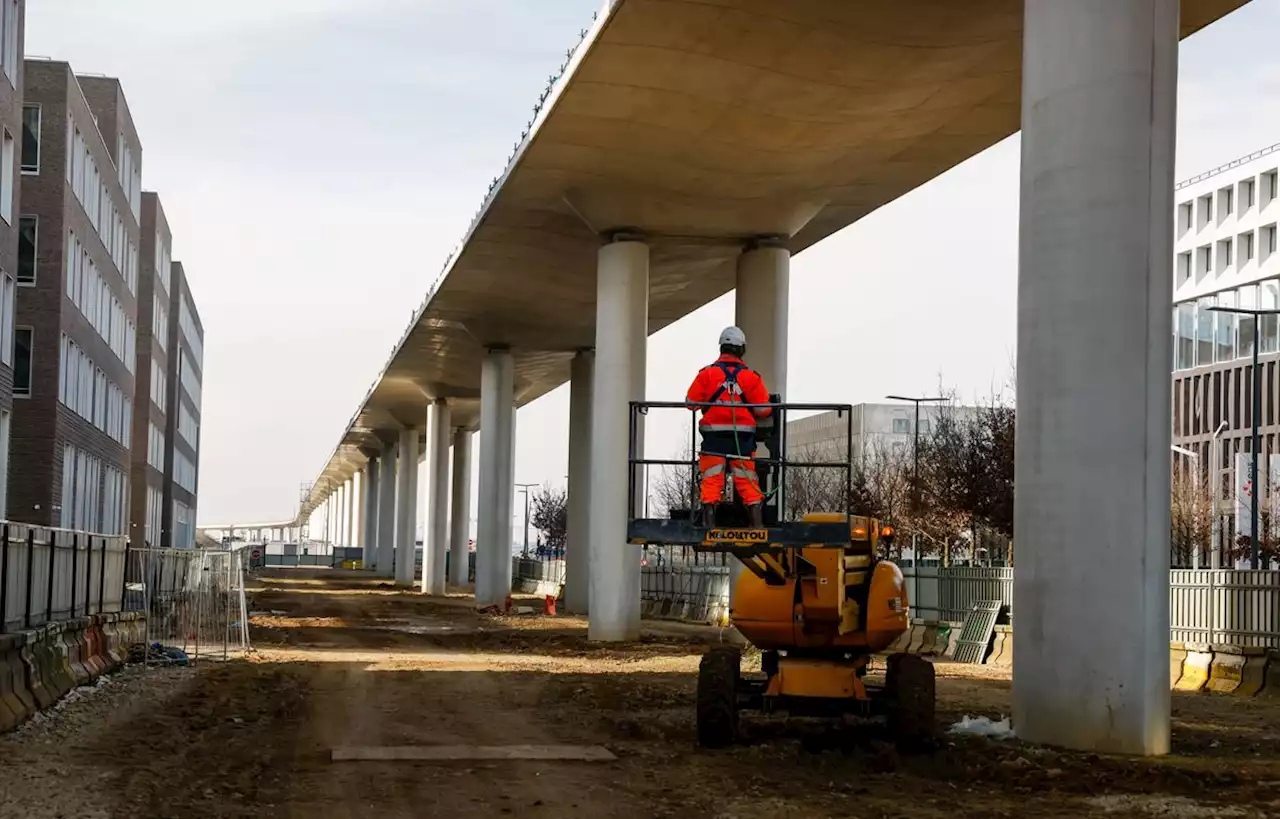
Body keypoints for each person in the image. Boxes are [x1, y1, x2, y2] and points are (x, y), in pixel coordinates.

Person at [685, 326, 772, 528]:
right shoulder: (752, 377)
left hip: (713, 438)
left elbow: (691, 403)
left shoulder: (706, 375)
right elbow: (764, 410)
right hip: (742, 440)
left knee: (712, 478)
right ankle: (757, 525)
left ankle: (709, 524)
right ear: (742, 349)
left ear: (721, 347)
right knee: (747, 479)